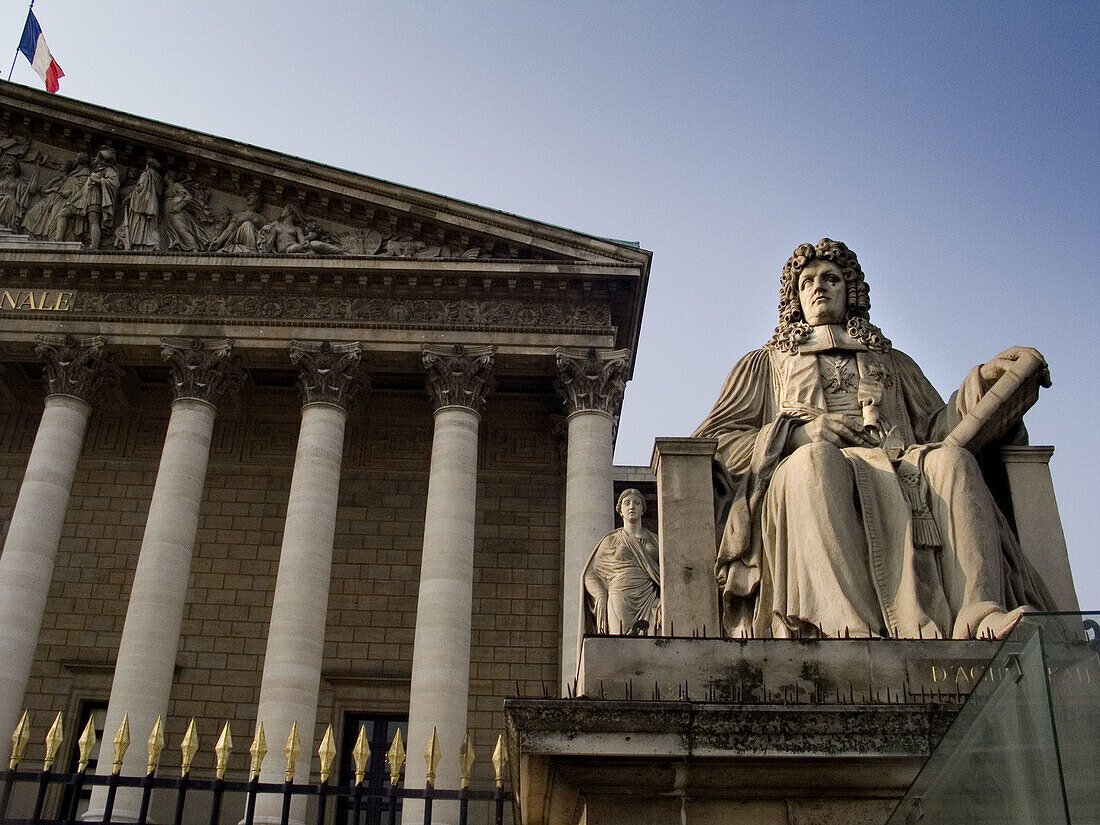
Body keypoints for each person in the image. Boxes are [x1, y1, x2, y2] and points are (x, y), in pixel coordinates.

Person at [694, 239, 1051, 641]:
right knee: (816, 462)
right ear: (794, 298)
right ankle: (844, 626)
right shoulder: (766, 363)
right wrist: (793, 433)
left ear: (851, 292)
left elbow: (937, 430)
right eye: (807, 281)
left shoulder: (892, 361)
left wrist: (983, 384)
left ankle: (979, 612)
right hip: (807, 473)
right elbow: (717, 443)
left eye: (831, 278)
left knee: (953, 463)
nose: (818, 287)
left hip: (898, 462)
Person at [583, 489, 661, 636]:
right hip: (620, 596)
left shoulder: (656, 540)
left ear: (642, 510)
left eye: (637, 503)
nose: (632, 506)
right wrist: (600, 595)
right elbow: (591, 573)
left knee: (652, 641)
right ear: (621, 511)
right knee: (620, 639)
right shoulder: (611, 540)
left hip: (649, 595)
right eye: (627, 503)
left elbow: (668, 571)